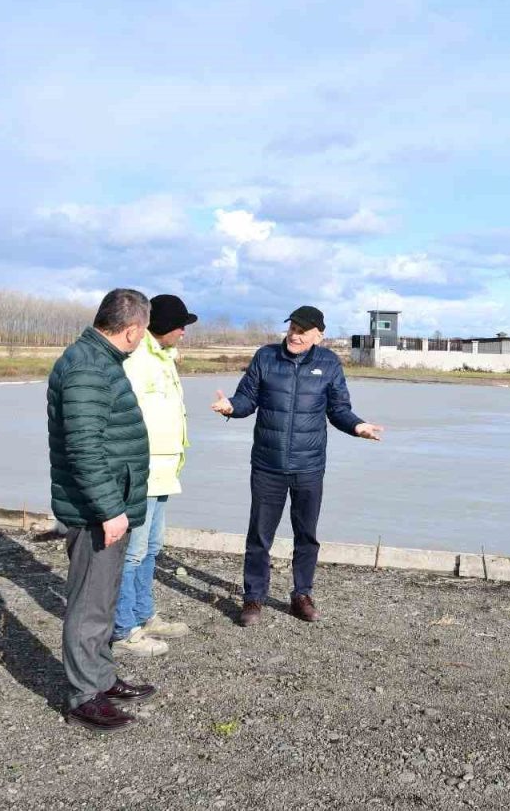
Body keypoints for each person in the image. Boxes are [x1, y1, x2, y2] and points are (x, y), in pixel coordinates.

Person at [210, 305, 383, 626]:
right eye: (292, 328)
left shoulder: (329, 363)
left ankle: (301, 595)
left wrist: (358, 426)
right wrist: (231, 406)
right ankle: (253, 598)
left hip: (309, 466)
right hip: (268, 464)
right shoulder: (266, 357)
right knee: (259, 535)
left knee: (306, 535)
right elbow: (247, 398)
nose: (295, 335)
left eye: (303, 331)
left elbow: (339, 409)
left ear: (319, 336)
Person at [47, 288, 156, 734]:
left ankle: (102, 677)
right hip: (95, 511)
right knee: (89, 604)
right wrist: (110, 509)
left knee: (103, 599)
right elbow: (84, 447)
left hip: (108, 504)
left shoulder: (99, 361)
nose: (142, 338)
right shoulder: (87, 368)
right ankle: (84, 696)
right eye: (143, 331)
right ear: (131, 330)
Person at [111, 294, 197, 658]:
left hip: (164, 472)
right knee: (132, 553)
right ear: (164, 325)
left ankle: (144, 615)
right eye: (180, 326)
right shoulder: (136, 359)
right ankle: (123, 629)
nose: (183, 332)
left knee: (151, 548)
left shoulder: (165, 357)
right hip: (141, 471)